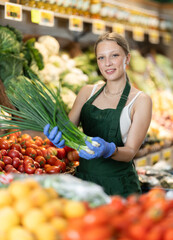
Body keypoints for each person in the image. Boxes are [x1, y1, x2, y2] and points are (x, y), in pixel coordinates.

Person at [44, 32, 152, 197]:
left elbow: (130, 151)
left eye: (114, 55)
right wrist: (57, 135)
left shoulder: (140, 101)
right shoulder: (87, 92)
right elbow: (68, 129)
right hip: (83, 183)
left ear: (127, 58)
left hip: (119, 186)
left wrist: (110, 150)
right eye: (101, 58)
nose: (107, 63)